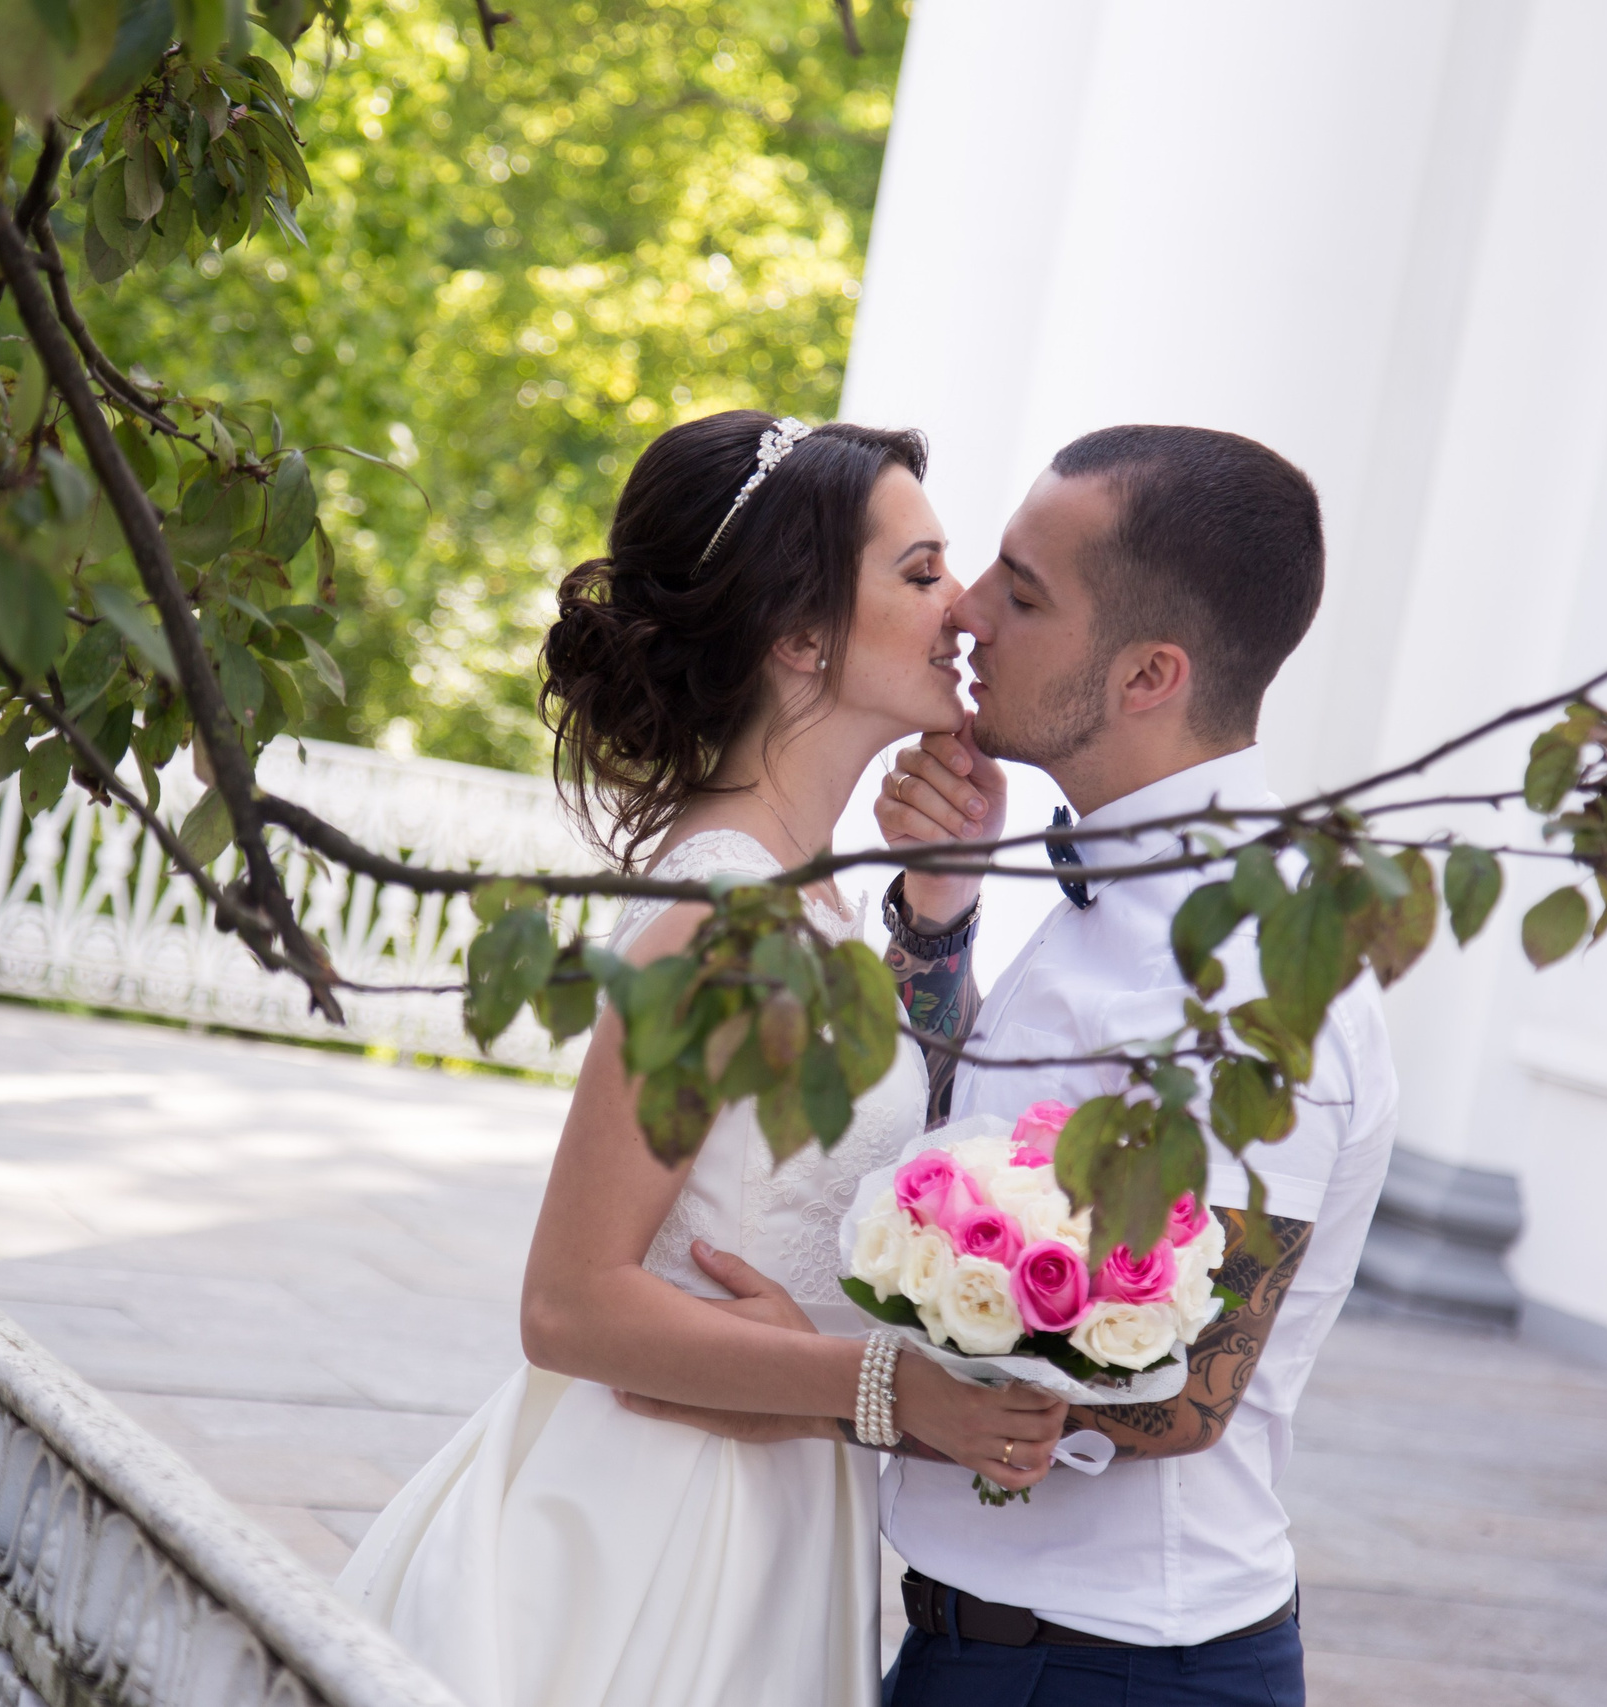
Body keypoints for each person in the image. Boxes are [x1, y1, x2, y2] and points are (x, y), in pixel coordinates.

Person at [335, 410, 1067, 1707]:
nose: (960, 609)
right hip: (658, 1524)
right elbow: (568, 1301)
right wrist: (888, 1386)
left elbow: (863, 1151)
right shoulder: (725, 919)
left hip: (780, 1504)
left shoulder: (809, 900)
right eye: (917, 573)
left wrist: (939, 902)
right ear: (798, 635)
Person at [863, 425, 1401, 1705]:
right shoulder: (1120, 886)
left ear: (1149, 673)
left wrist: (829, 1382)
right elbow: (961, 1143)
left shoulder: (1259, 971)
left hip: (1118, 1670)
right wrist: (938, 912)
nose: (971, 612)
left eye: (1024, 591)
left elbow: (1185, 1385)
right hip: (985, 1639)